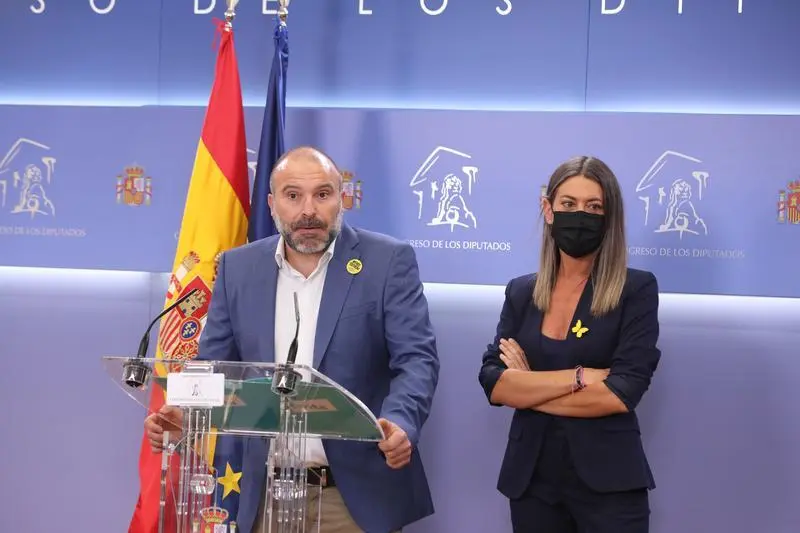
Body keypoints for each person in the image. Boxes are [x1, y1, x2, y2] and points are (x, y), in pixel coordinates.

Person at [145, 146, 440, 533]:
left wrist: (401, 421)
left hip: (350, 495)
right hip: (264, 492)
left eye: (322, 194)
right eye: (293, 195)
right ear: (272, 204)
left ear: (342, 199)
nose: (308, 211)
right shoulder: (238, 267)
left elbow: (417, 359)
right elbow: (213, 366)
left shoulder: (387, 261)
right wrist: (187, 414)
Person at [478, 156, 661, 533]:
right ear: (548, 210)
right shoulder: (521, 292)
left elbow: (621, 393)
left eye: (594, 207)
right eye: (568, 204)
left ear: (609, 217)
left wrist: (528, 388)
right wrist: (579, 378)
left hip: (609, 483)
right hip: (531, 481)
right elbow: (494, 383)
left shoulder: (635, 290)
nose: (580, 215)